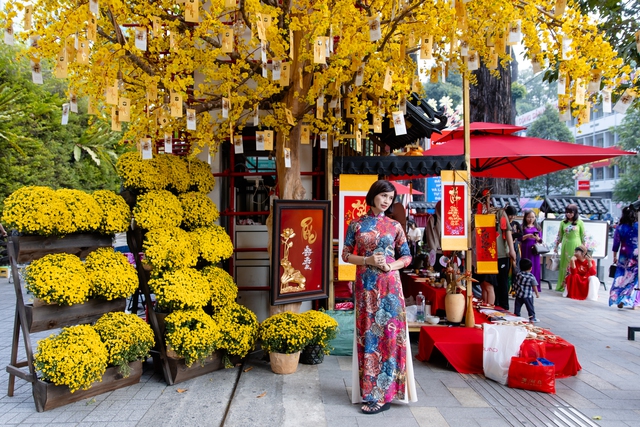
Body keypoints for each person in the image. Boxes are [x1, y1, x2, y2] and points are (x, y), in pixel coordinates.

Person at [341, 179, 417, 414]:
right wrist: (367, 261)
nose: (386, 201)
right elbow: (345, 254)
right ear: (373, 195)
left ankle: (386, 394)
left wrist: (391, 266)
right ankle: (370, 392)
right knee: (369, 338)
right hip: (366, 288)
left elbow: (407, 256)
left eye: (390, 198)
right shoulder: (356, 225)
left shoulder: (395, 226)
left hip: (391, 289)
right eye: (383, 195)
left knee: (390, 338)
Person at [609, 206, 639, 309]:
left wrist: (614, 256)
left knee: (620, 276)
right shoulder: (637, 226)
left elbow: (616, 243)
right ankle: (624, 298)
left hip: (624, 255)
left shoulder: (620, 227)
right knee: (632, 278)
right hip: (636, 254)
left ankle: (617, 297)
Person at [553, 204, 585, 292]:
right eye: (567, 212)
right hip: (566, 245)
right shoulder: (563, 222)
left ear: (575, 213)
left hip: (576, 245)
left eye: (571, 212)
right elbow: (559, 236)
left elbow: (583, 236)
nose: (569, 214)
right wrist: (556, 246)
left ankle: (574, 284)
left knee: (575, 264)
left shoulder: (580, 222)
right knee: (565, 264)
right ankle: (563, 285)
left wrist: (584, 248)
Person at [495, 207, 517, 310]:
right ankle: (493, 304)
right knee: (491, 283)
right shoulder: (474, 211)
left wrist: (511, 250)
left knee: (502, 281)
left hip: (501, 253)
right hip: (485, 255)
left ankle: (504, 306)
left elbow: (507, 231)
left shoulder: (500, 212)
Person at [519, 209, 543, 292]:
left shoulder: (537, 227)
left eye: (532, 217)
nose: (531, 219)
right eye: (529, 217)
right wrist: (527, 236)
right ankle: (524, 283)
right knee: (525, 265)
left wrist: (537, 238)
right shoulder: (522, 227)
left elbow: (540, 240)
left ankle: (535, 286)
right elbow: (520, 238)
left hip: (534, 249)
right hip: (525, 247)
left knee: (535, 266)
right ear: (525, 217)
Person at [513, 258, 539, 323]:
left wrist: (513, 291)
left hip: (519, 295)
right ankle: (532, 318)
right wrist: (537, 293)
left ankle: (516, 316)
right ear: (531, 268)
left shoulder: (518, 275)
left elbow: (515, 284)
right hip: (528, 296)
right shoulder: (531, 276)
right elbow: (534, 285)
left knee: (517, 307)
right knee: (530, 307)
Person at [423, 200, 443, 272]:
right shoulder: (433, 219)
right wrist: (433, 253)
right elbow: (430, 237)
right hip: (437, 253)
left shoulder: (451, 219)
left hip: (449, 253)